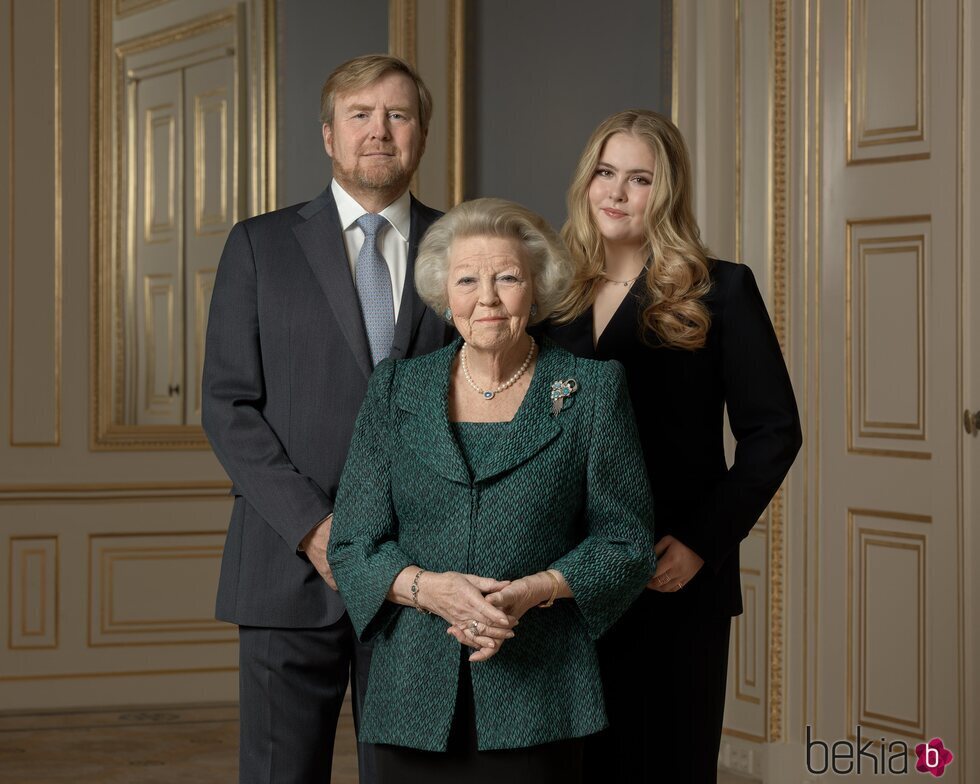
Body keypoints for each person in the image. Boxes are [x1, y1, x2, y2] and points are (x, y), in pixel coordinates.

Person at [327, 197, 656, 784]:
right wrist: (430, 590)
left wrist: (535, 590)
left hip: (540, 693)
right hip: (411, 698)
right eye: (468, 279)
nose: (488, 298)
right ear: (443, 293)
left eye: (508, 278)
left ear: (536, 289)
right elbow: (352, 544)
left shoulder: (592, 391)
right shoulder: (395, 390)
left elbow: (625, 543)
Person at [201, 55, 448, 784]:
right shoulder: (259, 245)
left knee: (412, 775)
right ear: (329, 136)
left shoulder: (466, 246)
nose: (380, 131)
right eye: (360, 115)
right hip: (286, 564)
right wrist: (314, 529)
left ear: (422, 134)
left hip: (421, 569)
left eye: (398, 115)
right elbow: (227, 403)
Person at [546, 109, 803, 783]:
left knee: (668, 766)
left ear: (667, 193)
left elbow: (775, 432)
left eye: (639, 179)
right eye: (605, 172)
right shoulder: (547, 292)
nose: (617, 192)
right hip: (562, 578)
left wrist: (701, 543)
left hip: (673, 576)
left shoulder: (722, 290)